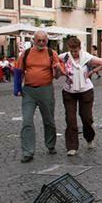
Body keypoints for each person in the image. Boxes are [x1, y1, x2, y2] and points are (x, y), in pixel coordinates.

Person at [17, 31, 66, 163]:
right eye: (38, 40)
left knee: (49, 120)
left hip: (46, 90)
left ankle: (50, 145)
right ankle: (28, 152)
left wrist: (57, 69)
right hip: (29, 91)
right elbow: (19, 71)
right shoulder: (26, 53)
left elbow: (57, 75)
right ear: (33, 40)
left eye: (43, 41)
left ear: (47, 41)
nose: (40, 43)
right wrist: (17, 88)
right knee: (26, 121)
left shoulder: (51, 53)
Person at [60, 36, 102, 156]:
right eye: (71, 51)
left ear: (80, 48)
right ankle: (72, 147)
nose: (74, 53)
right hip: (69, 91)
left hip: (85, 90)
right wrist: (60, 70)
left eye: (75, 51)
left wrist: (91, 72)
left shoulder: (87, 57)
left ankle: (89, 138)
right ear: (68, 49)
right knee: (70, 119)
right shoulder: (64, 57)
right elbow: (54, 61)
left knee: (86, 117)